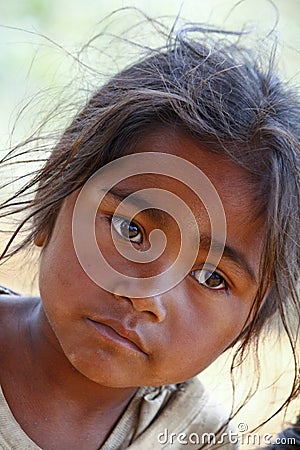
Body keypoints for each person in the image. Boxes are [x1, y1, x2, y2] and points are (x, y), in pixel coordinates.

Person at [0, 17, 299, 450]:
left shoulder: (200, 440)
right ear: (56, 191)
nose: (145, 294)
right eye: (131, 229)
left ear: (249, 323)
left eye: (211, 277)